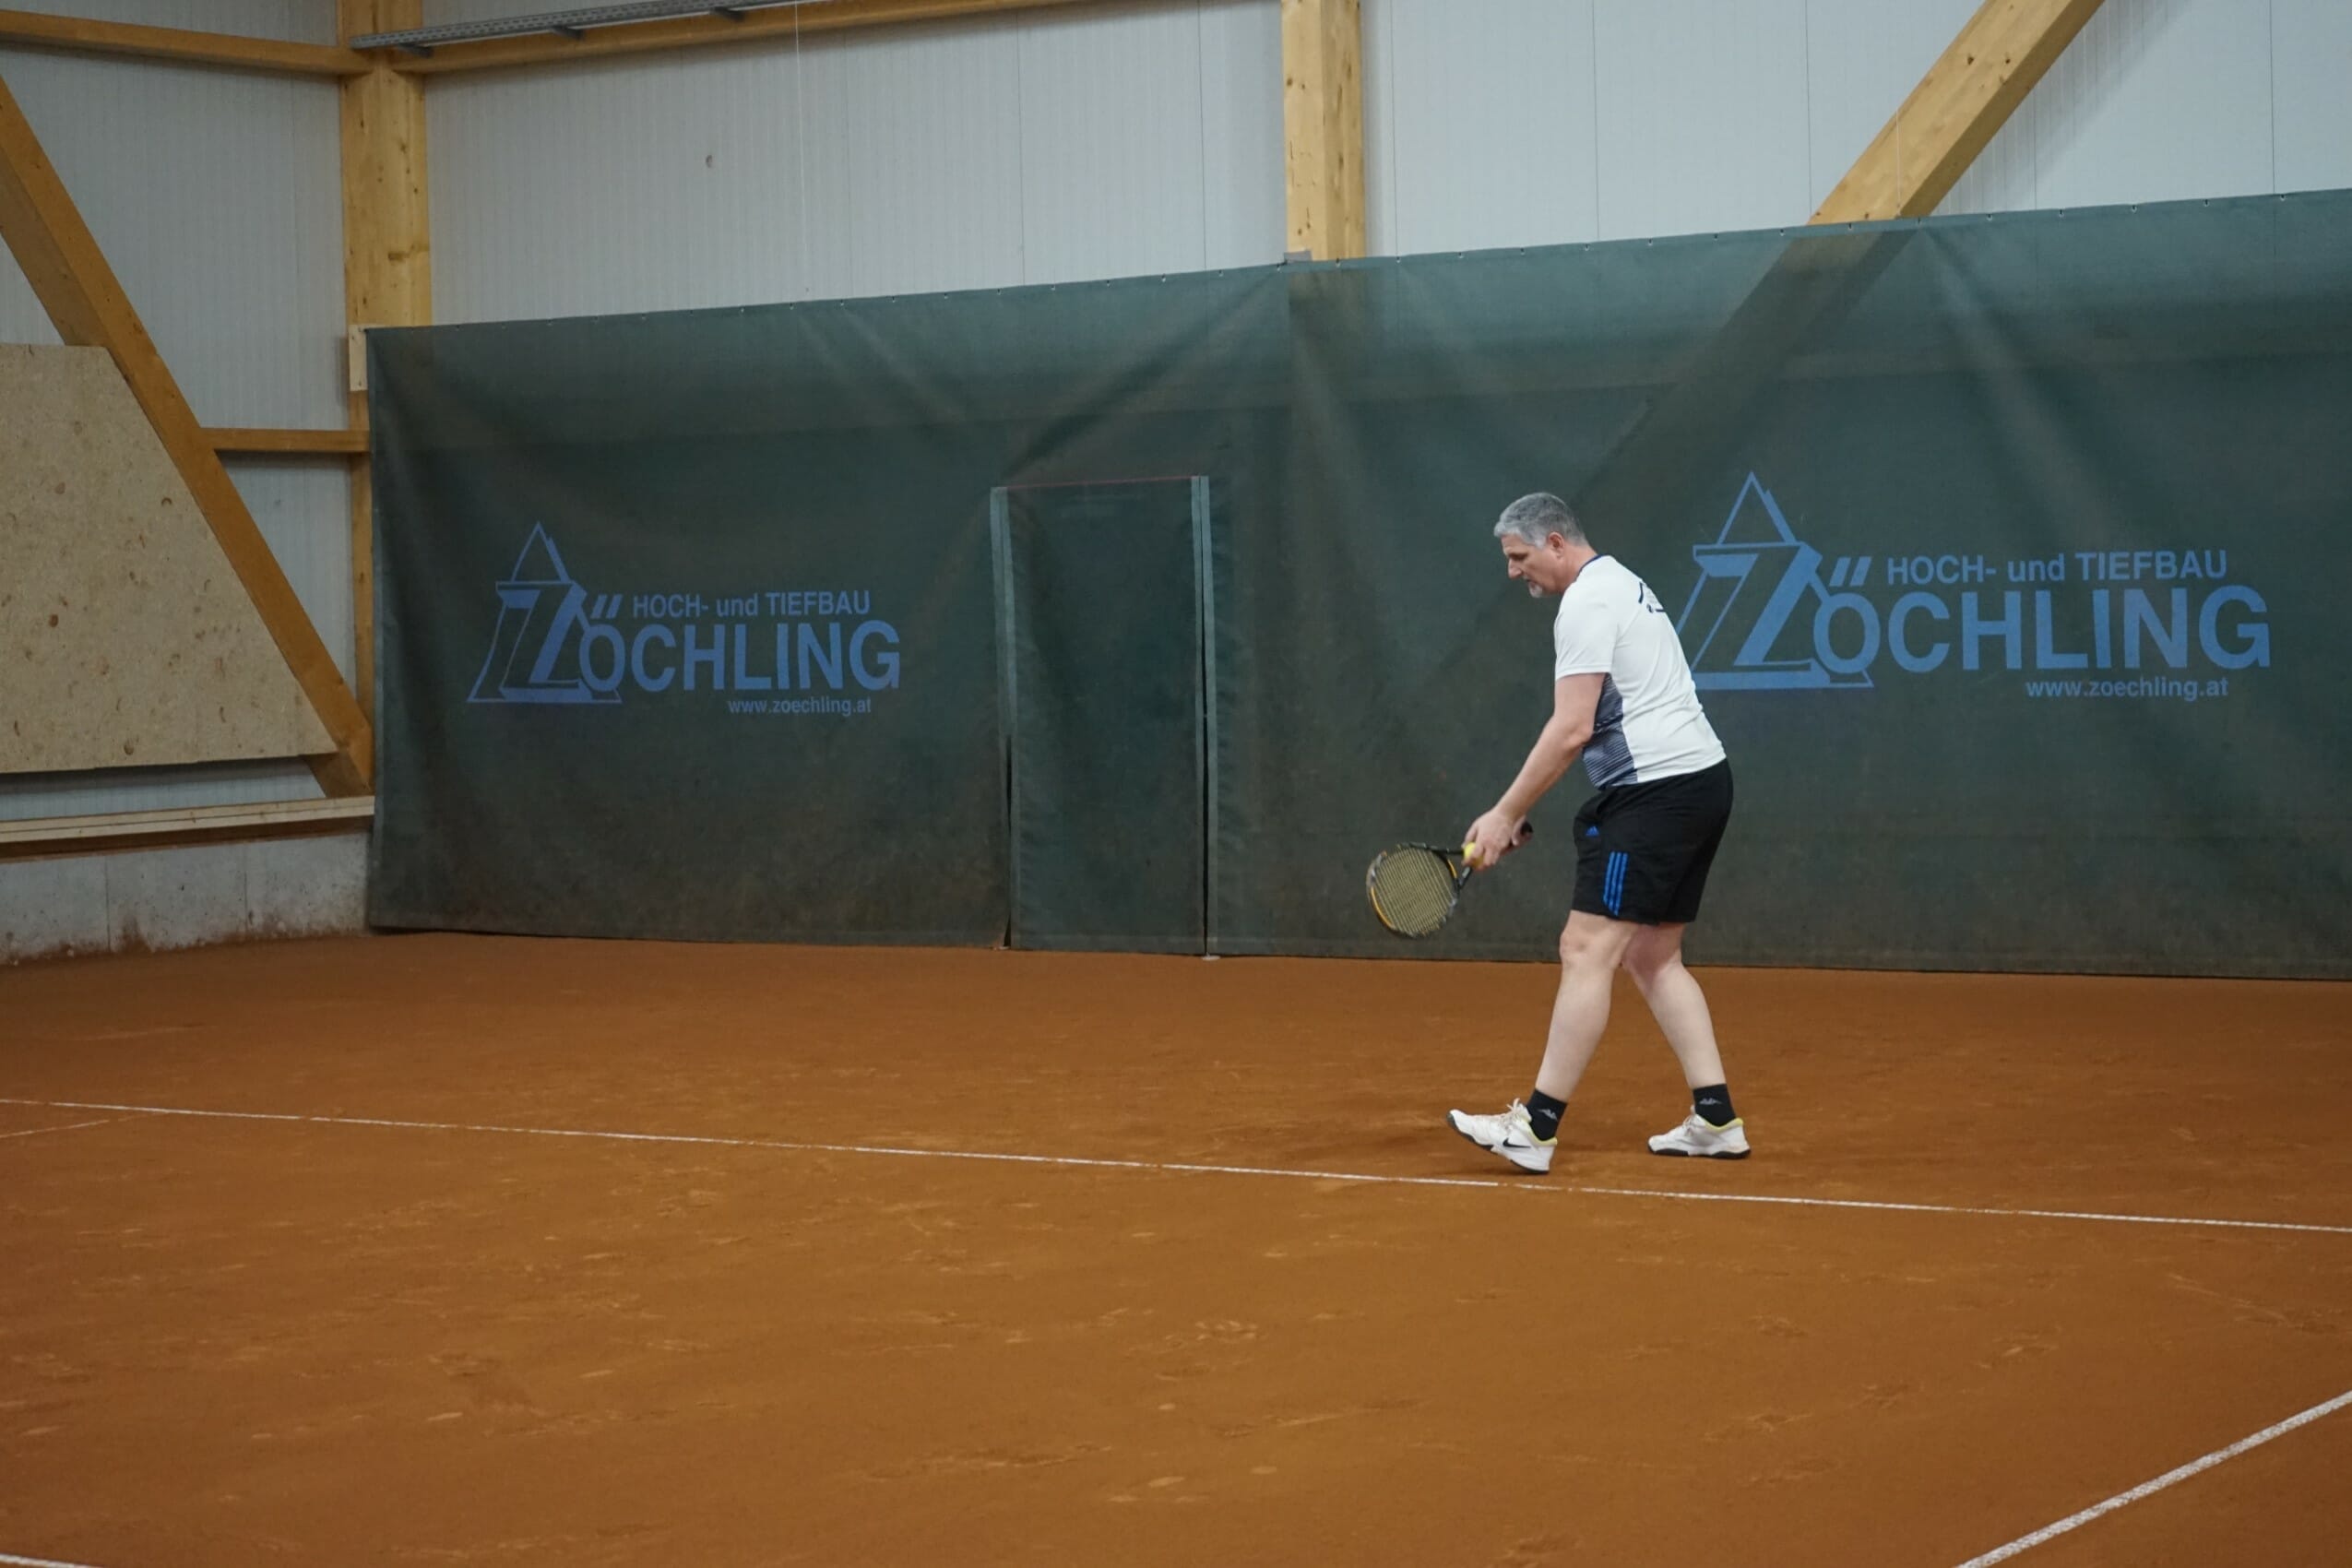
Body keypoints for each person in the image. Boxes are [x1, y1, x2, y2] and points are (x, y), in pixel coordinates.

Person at [1447, 493, 1745, 1173]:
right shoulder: (1622, 582)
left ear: (1555, 542)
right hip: (1701, 782)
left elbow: (1572, 728)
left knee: (1585, 948)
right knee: (1653, 957)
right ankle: (1715, 1118)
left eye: (1519, 557)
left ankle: (1535, 1128)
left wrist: (1503, 813)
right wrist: (1520, 809)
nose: (1514, 572)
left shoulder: (1585, 602)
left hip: (1656, 793)